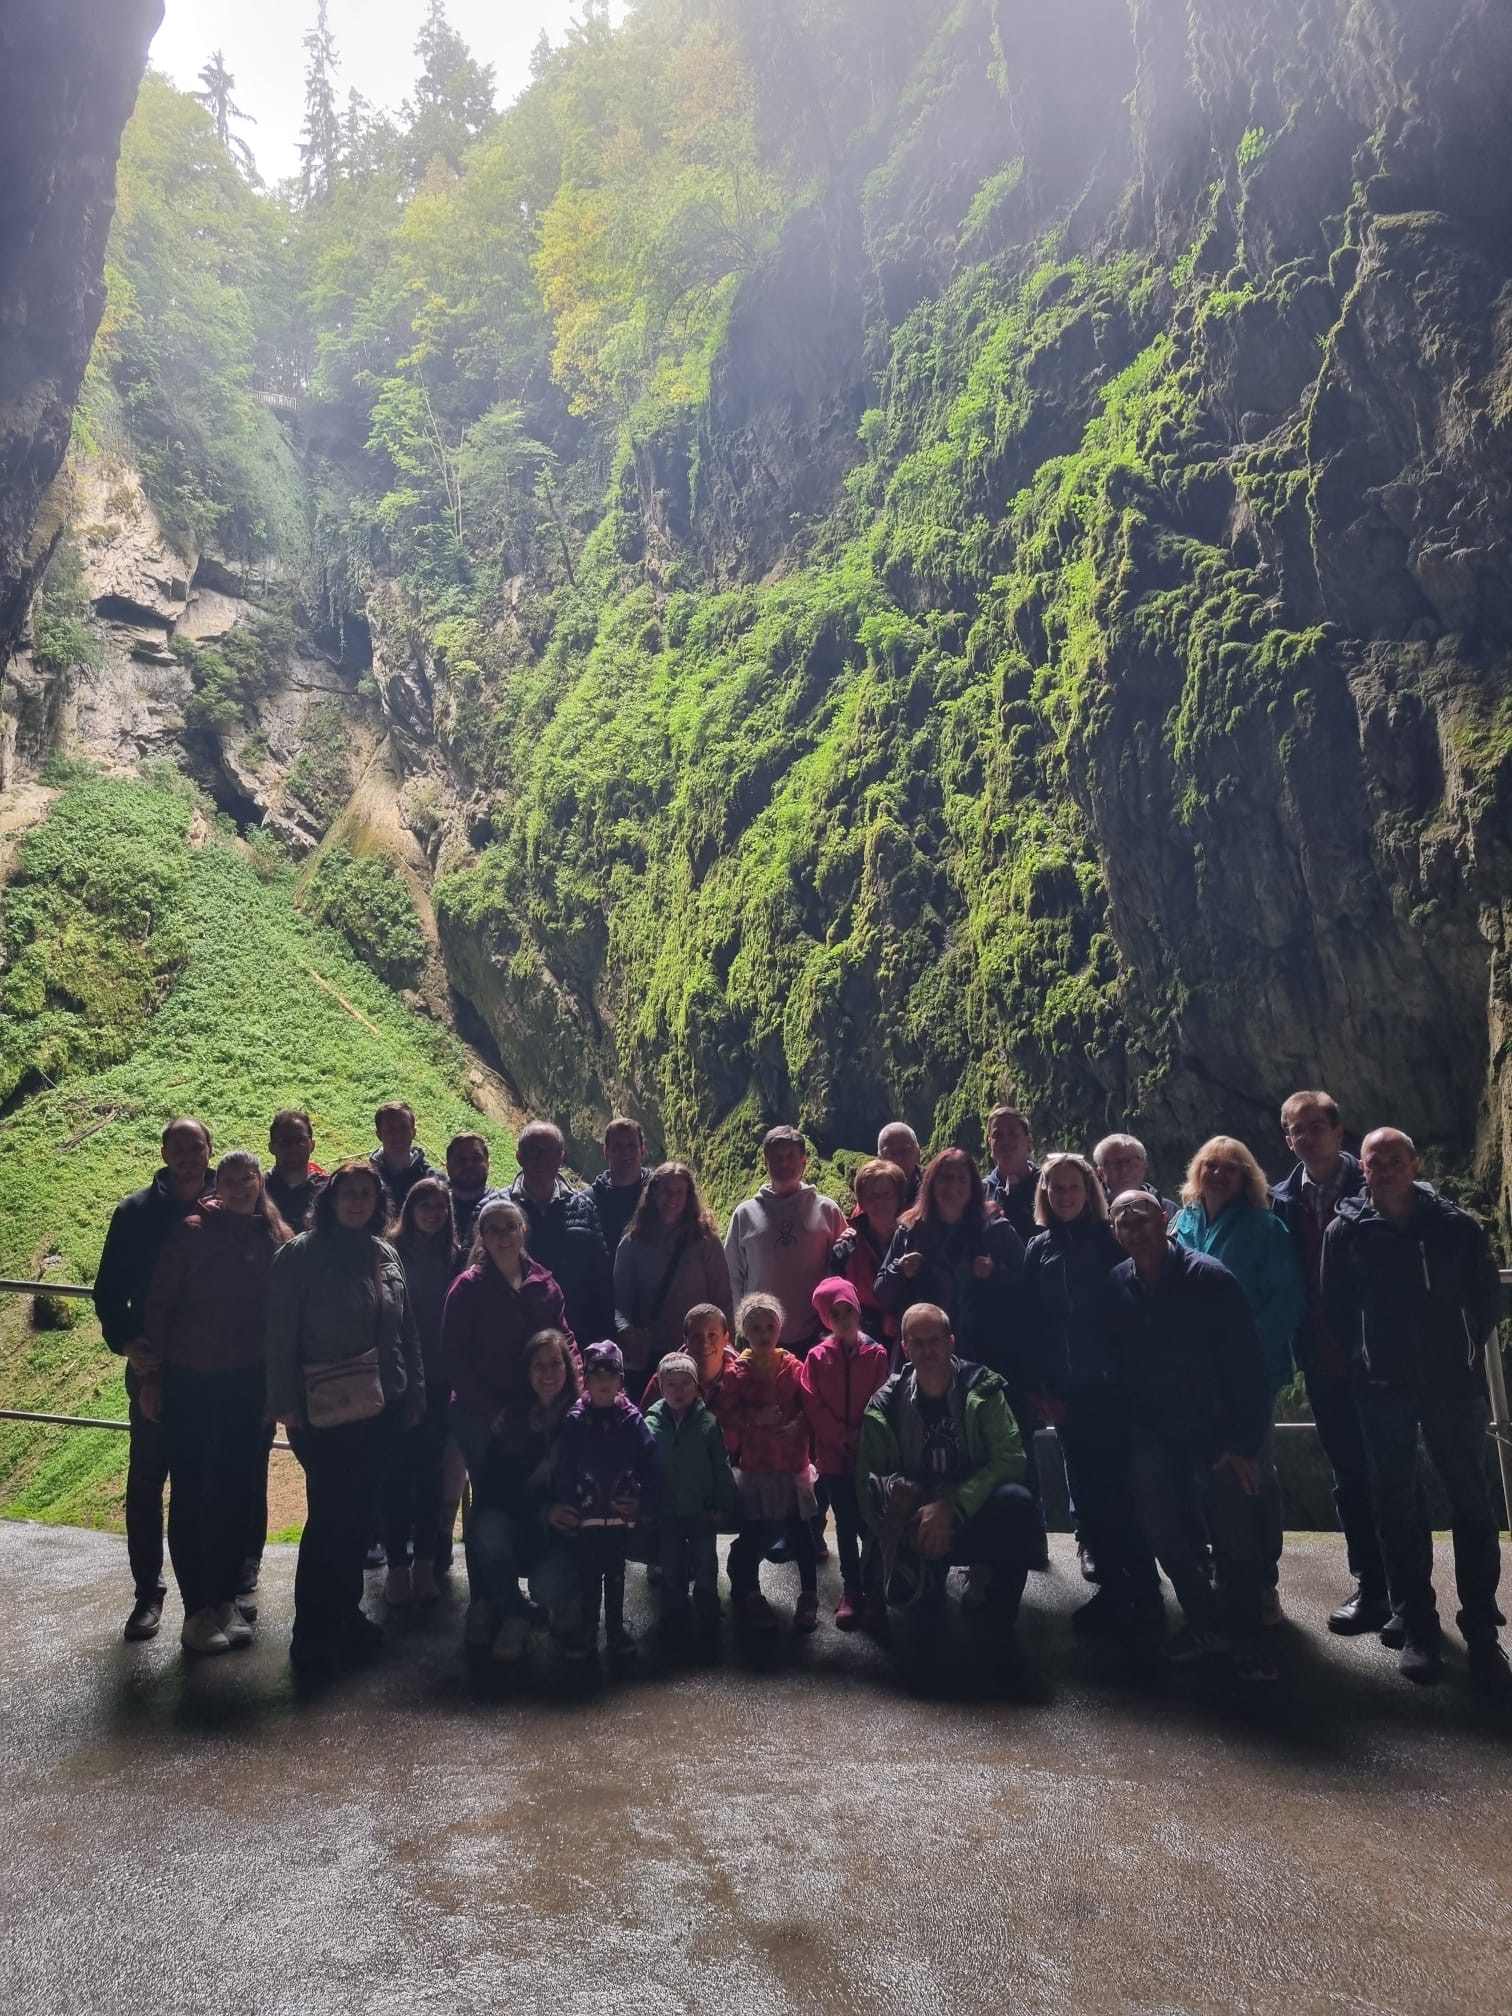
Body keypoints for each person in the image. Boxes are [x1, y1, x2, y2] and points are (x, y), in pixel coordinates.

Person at [1322, 1128, 1509, 1691]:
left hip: (1454, 1385)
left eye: (1395, 1159)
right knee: (1396, 1502)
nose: (1384, 1168)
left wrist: (1465, 1346)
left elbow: (1486, 1295)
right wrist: (1365, 1359)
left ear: (1415, 1163)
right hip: (1383, 1387)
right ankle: (1419, 1626)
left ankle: (1481, 1628)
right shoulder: (1345, 1231)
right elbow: (1335, 1307)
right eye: (1374, 1161)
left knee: (1471, 1501)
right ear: (1363, 1169)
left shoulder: (1453, 1225)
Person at [1106, 1190, 1275, 1682]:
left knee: (1233, 1538)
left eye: (1143, 1219)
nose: (1135, 1231)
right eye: (1124, 1224)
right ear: (1115, 1233)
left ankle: (1248, 1641)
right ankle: (1204, 1622)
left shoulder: (1209, 1279)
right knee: (1162, 1529)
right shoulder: (1118, 1283)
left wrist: (1244, 1444)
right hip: (1154, 1431)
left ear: (1165, 1220)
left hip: (1215, 1431)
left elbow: (1249, 1365)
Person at [265, 1161, 425, 1674]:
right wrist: (286, 1405)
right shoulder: (298, 1256)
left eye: (366, 1194)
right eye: (348, 1193)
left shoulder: (385, 1254)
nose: (357, 1201)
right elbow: (279, 1336)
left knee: (358, 1516)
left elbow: (407, 1330)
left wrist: (414, 1390)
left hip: (381, 1405)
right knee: (329, 1519)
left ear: (378, 1204)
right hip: (323, 1411)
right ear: (330, 1200)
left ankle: (345, 1613)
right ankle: (311, 1631)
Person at [135, 1152, 291, 1654]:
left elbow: (285, 1316)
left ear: (260, 1182)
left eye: (248, 1178)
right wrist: (152, 1378)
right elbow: (159, 1307)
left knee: (236, 1491)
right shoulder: (192, 1232)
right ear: (215, 1184)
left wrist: (277, 1387)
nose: (240, 1186)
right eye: (229, 1179)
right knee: (191, 1490)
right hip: (192, 1381)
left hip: (248, 1384)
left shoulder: (274, 1236)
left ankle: (224, 1599)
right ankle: (196, 1610)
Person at [1022, 1155, 1160, 1642]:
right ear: (1045, 1194)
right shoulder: (1038, 1248)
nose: (1064, 1196)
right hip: (1067, 1391)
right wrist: (1041, 1386)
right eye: (1056, 1188)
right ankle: (1116, 1589)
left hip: (1111, 1388)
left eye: (1073, 1187)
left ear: (1088, 1192)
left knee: (1119, 1493)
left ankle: (1145, 1593)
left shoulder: (1109, 1240)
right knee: (1090, 1494)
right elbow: (1032, 1321)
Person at [874, 1152, 1038, 1551]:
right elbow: (882, 1292)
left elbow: (1029, 1292)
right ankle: (928, 1545)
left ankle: (1003, 1548)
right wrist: (899, 1271)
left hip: (984, 1359)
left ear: (974, 1185)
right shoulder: (910, 1230)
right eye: (945, 1178)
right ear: (931, 1183)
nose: (953, 1186)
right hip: (923, 1362)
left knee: (987, 1448)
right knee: (927, 1450)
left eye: (961, 1178)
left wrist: (995, 1274)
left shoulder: (995, 1229)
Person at [1269, 1090, 1388, 1633]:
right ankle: (1373, 1587)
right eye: (1298, 1129)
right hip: (1321, 1358)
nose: (1308, 1136)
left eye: (1317, 1125)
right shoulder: (1281, 1201)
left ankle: (1411, 1599)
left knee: (1393, 1475)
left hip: (1382, 1358)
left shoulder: (1375, 1182)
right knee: (1349, 1476)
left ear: (1339, 1131)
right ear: (1288, 1140)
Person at [1173, 1136, 1304, 1623]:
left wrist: (1243, 1349)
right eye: (1210, 1165)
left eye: (1230, 1168)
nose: (1219, 1174)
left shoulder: (1265, 1227)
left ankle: (1262, 1579)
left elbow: (1287, 1300)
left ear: (1246, 1176)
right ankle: (1226, 1571)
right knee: (1206, 1473)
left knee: (1253, 1471)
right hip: (1193, 1374)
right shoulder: (1182, 1222)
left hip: (1250, 1371)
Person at [93, 1116, 215, 1642]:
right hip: (154, 1368)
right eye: (178, 1147)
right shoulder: (135, 1213)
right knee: (147, 1479)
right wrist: (127, 1344)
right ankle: (148, 1592)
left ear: (209, 1150)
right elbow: (108, 1292)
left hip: (212, 1371)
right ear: (164, 1153)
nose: (188, 1156)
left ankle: (204, 1597)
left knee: (200, 1483)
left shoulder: (229, 1206)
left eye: (196, 1147)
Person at [441, 1197, 579, 1650]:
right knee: (488, 1503)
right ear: (481, 1237)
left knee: (529, 1491)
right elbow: (454, 1359)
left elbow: (565, 1339)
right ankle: (488, 1603)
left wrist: (575, 1391)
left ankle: (536, 1588)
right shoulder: (467, 1288)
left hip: (533, 1408)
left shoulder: (543, 1283)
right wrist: (491, 1412)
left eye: (510, 1227)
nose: (503, 1235)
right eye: (494, 1229)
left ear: (523, 1230)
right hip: (480, 1416)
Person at [856, 1301, 1041, 1635]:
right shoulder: (884, 1404)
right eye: (918, 1342)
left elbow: (1011, 1459)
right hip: (917, 1522)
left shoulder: (982, 1389)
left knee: (1016, 1502)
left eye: (935, 1340)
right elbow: (867, 1482)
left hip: (972, 1513)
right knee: (924, 1622)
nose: (927, 1350)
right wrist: (909, 1515)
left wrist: (953, 1507)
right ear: (905, 1348)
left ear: (951, 1342)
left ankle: (996, 1608)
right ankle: (918, 1578)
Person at [468, 1328, 583, 1665]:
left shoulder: (583, 1418)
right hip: (526, 1528)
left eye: (555, 1363)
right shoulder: (511, 1422)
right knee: (487, 1527)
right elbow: (492, 1491)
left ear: (568, 1368)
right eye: (539, 1365)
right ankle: (513, 1613)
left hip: (567, 1537)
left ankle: (569, 1605)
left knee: (546, 1587)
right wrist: (542, 1511)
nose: (548, 1373)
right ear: (527, 1373)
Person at [550, 1341, 659, 1658]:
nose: (603, 1381)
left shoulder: (631, 1419)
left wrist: (644, 1501)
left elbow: (651, 1462)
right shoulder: (575, 1420)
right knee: (588, 1574)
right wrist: (567, 1502)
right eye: (596, 1374)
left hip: (618, 1514)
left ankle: (614, 1629)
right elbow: (564, 1467)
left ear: (621, 1380)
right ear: (586, 1379)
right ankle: (587, 1629)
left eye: (610, 1374)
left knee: (615, 1574)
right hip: (586, 1514)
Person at [719, 1293, 819, 1632]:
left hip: (791, 1463)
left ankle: (809, 1595)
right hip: (757, 1466)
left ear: (780, 1328)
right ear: (743, 1331)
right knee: (754, 1531)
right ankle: (750, 1593)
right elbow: (726, 1414)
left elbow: (809, 1407)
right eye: (755, 1327)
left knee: (801, 1531)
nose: (764, 1334)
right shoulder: (736, 1372)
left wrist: (798, 1425)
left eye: (770, 1326)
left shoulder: (795, 1367)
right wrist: (754, 1418)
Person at [382, 1177, 460, 1607]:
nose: (433, 1213)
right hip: (395, 1378)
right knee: (395, 1473)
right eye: (424, 1205)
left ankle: (425, 1563)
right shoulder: (388, 1252)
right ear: (410, 1209)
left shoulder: (456, 1256)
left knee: (431, 1472)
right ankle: (396, 1565)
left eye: (440, 1206)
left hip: (440, 1378)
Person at [799, 1278, 889, 1629]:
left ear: (857, 1310)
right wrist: (840, 1438)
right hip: (834, 1457)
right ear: (826, 1320)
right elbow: (813, 1403)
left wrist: (861, 1438)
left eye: (847, 1310)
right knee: (846, 1522)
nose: (842, 1319)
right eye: (833, 1314)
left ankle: (874, 1587)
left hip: (868, 1456)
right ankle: (851, 1588)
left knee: (873, 1522)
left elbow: (881, 1401)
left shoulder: (876, 1355)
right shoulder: (817, 1357)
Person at [723, 1127, 847, 1356]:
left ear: (804, 1162)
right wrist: (740, 1326)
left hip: (818, 1333)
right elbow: (731, 1274)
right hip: (760, 1335)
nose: (784, 1163)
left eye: (790, 1157)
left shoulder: (827, 1210)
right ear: (766, 1162)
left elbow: (844, 1270)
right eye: (777, 1158)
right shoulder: (745, 1214)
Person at [613, 1161, 733, 1390]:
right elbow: (621, 1301)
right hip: (652, 1356)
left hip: (700, 1353)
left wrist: (727, 1350)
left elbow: (722, 1298)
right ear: (654, 1193)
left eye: (680, 1192)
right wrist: (626, 1331)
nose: (673, 1198)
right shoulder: (632, 1243)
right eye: (667, 1191)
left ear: (689, 1197)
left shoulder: (705, 1241)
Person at [643, 1351, 736, 1642]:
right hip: (667, 1512)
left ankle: (708, 1608)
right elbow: (643, 1468)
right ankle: (674, 1610)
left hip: (701, 1511)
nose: (678, 1390)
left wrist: (722, 1504)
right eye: (671, 1384)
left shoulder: (708, 1423)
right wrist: (646, 1505)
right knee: (670, 1563)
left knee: (705, 1562)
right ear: (661, 1387)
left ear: (696, 1387)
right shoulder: (650, 1423)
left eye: (685, 1383)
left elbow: (721, 1466)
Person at [508, 1121, 615, 1346]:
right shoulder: (500, 1209)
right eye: (533, 1150)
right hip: (514, 1339)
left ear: (561, 1157)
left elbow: (602, 1280)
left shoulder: (584, 1208)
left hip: (575, 1336)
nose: (541, 1159)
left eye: (549, 1151)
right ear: (519, 1156)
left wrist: (600, 1342)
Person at [829, 1158, 908, 1348]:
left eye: (887, 1195)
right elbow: (835, 1303)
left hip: (915, 1339)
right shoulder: (845, 1249)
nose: (880, 1202)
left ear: (898, 1198)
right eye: (873, 1196)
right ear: (862, 1201)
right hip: (862, 1345)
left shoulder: (915, 1240)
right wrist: (878, 1322)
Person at [640, 1302, 739, 1409]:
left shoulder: (744, 1377)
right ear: (686, 1341)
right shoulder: (665, 1379)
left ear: (726, 1338)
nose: (704, 1344)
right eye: (696, 1336)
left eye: (712, 1335)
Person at [590, 1116, 654, 1254]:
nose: (625, 1151)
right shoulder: (588, 1202)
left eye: (632, 1145)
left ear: (643, 1151)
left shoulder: (660, 1194)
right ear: (606, 1152)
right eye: (618, 1146)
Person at [984, 1106, 1040, 1244]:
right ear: (990, 1143)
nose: (1005, 1141)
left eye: (1013, 1134)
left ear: (1028, 1139)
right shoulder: (980, 1192)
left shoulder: (1048, 1184)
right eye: (998, 1135)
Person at [264, 1109, 326, 1233]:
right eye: (284, 1141)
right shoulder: (258, 1190)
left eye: (300, 1140)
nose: (292, 1147)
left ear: (312, 1145)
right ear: (271, 1147)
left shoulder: (327, 1190)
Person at [369, 1100, 436, 1211]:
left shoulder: (434, 1179)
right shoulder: (367, 1180)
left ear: (414, 1132)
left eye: (403, 1128)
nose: (397, 1135)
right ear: (379, 1135)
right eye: (390, 1129)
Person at [1091, 1134, 1176, 1220]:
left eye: (1130, 1161)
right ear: (1100, 1171)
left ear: (1144, 1165)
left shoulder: (1170, 1210)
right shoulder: (1091, 1213)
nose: (1124, 1170)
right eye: (1115, 1163)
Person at [445, 1132, 506, 1251]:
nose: (469, 1164)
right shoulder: (434, 1207)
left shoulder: (504, 1210)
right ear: (448, 1166)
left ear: (488, 1164)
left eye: (476, 1158)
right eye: (461, 1160)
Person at [876, 1123, 923, 1207]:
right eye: (890, 1153)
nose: (898, 1158)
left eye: (905, 1150)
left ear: (917, 1151)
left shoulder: (932, 1185)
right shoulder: (872, 1190)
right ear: (880, 1158)